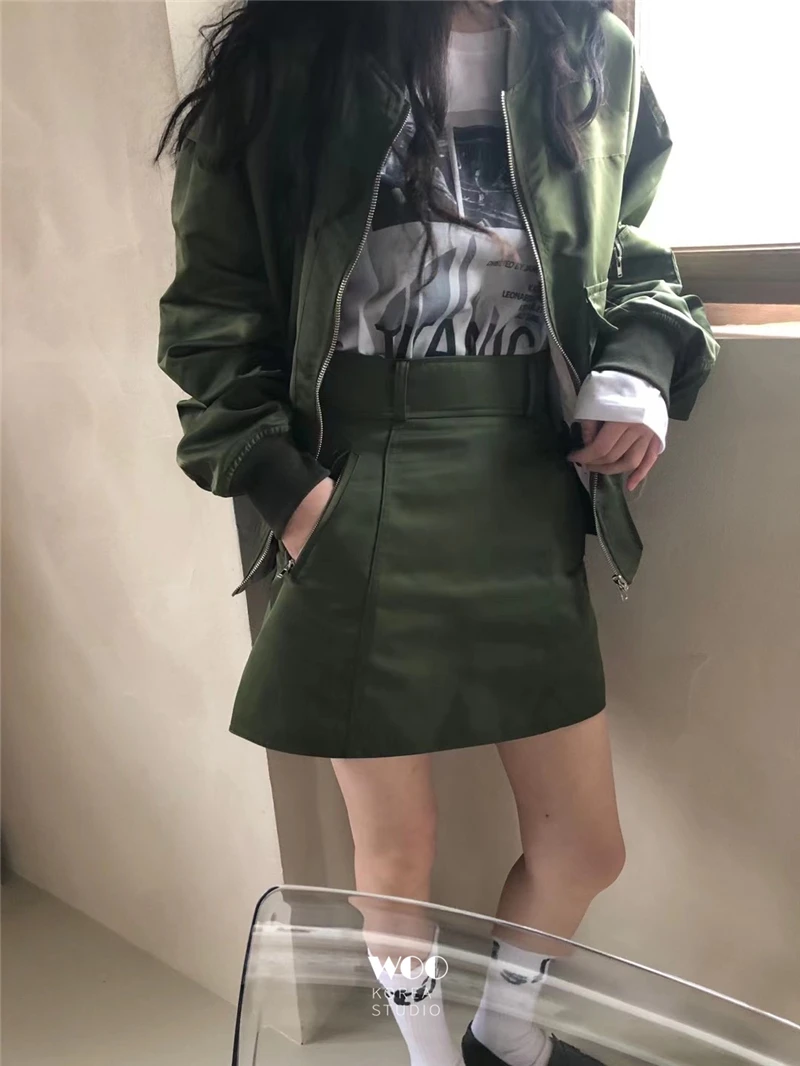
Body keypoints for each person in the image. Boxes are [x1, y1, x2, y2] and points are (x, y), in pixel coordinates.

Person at [156, 2, 717, 1064]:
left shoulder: (588, 50)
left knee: (584, 846)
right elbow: (210, 314)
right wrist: (294, 496)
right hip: (357, 473)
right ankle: (428, 1056)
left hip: (524, 475)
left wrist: (641, 364)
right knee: (395, 850)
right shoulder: (292, 53)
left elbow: (630, 247)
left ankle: (506, 1032)